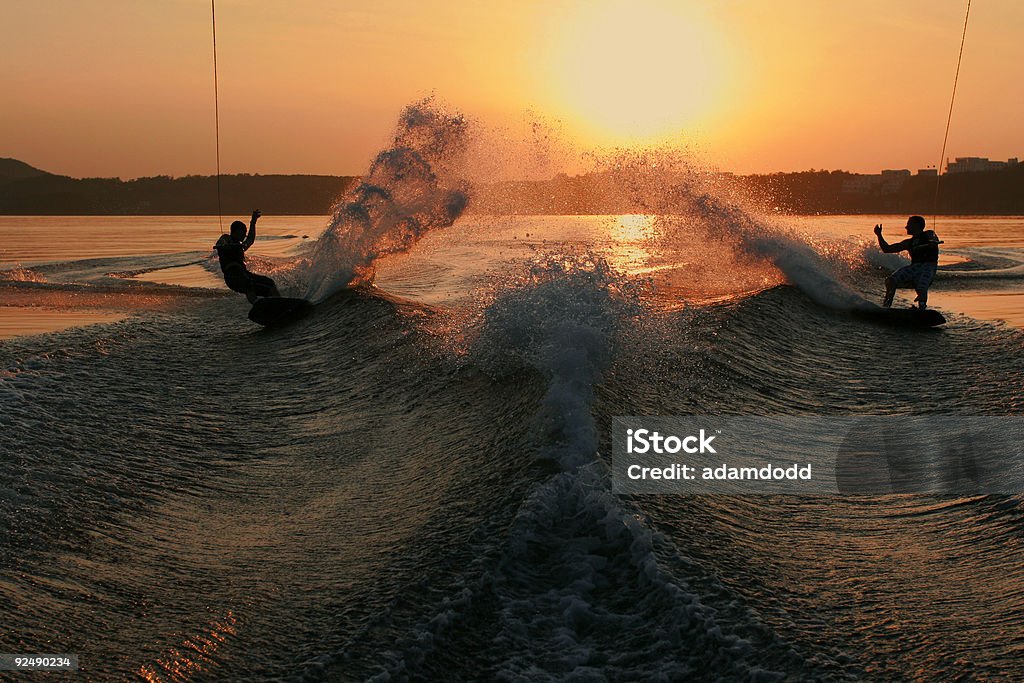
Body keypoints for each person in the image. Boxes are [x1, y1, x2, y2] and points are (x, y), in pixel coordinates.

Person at [874, 215, 941, 309]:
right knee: (890, 281)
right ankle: (886, 307)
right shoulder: (909, 243)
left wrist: (932, 242)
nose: (906, 227)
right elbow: (887, 249)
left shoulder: (929, 234)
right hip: (914, 267)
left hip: (928, 267)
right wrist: (879, 235)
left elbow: (933, 238)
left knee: (921, 287)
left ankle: (922, 308)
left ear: (917, 225)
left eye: (909, 224)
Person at [214, 209, 281, 303]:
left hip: (243, 274)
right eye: (243, 232)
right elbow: (220, 242)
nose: (244, 235)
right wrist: (225, 246)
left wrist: (253, 222)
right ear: (236, 231)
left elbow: (250, 239)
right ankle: (256, 304)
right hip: (232, 277)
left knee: (269, 283)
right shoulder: (226, 238)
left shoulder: (240, 246)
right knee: (248, 283)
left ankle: (277, 304)